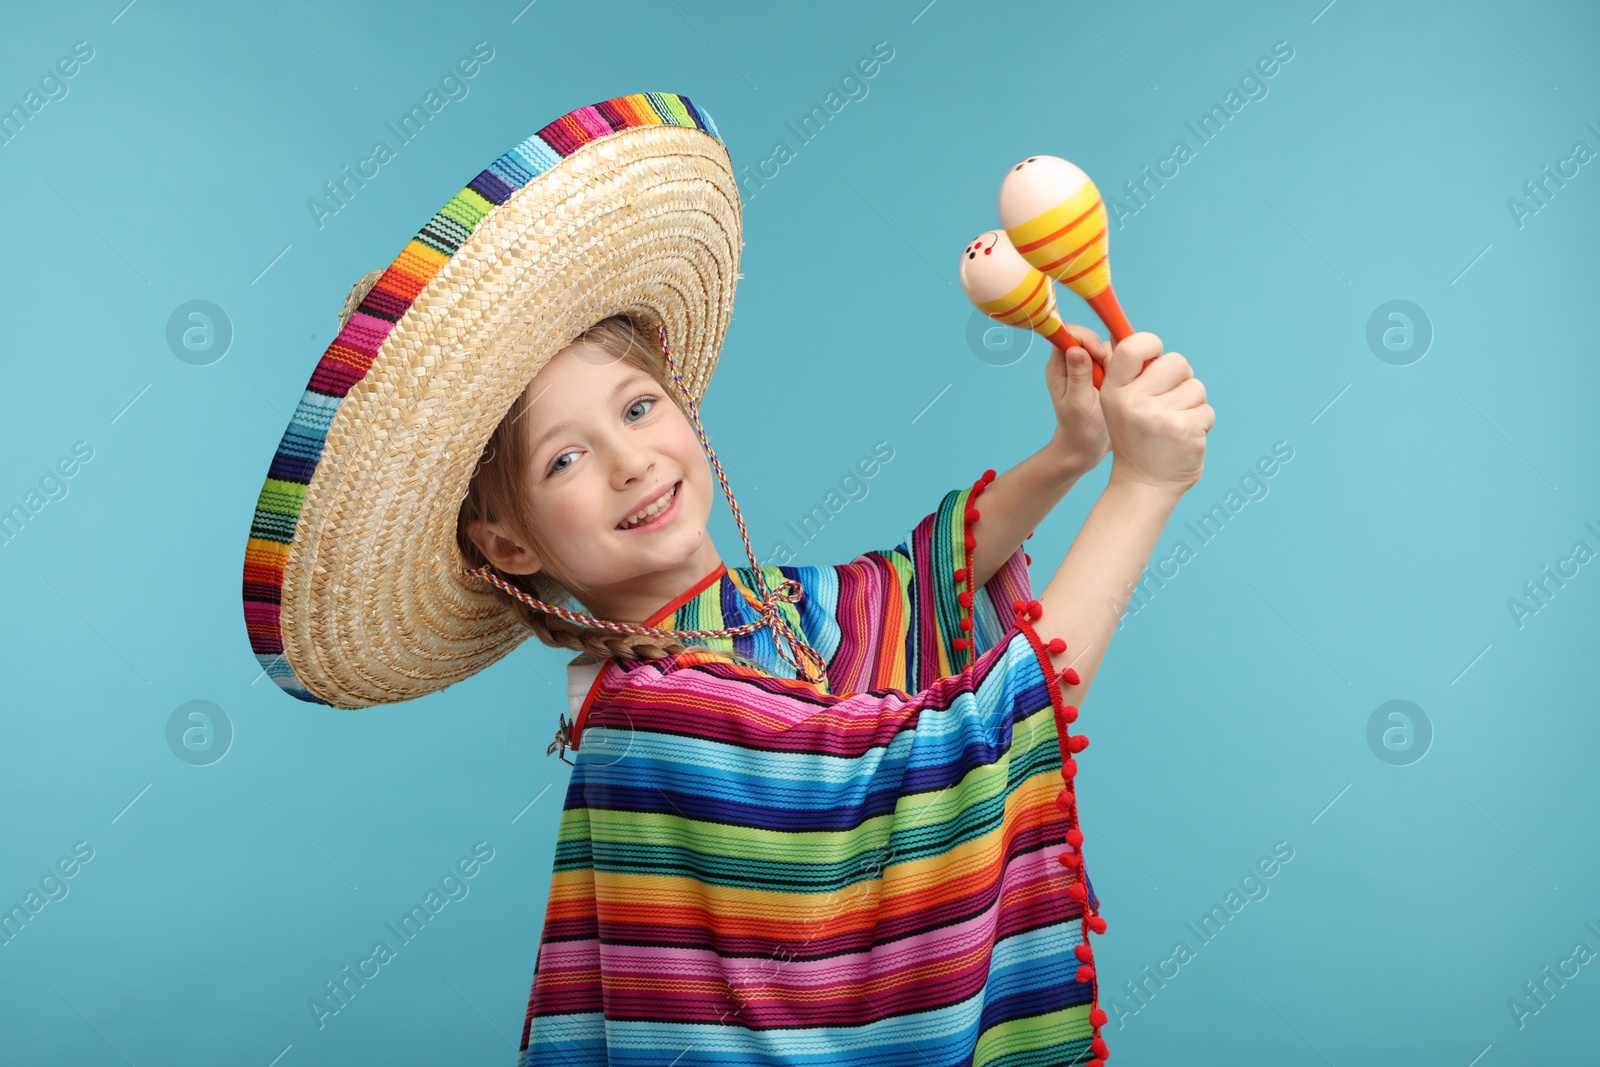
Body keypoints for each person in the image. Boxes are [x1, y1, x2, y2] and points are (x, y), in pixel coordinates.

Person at [240, 92, 1211, 1067]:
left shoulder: (758, 614)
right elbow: (952, 753)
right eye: (563, 460)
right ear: (508, 545)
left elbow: (912, 585)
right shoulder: (649, 712)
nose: (629, 460)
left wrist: (1070, 452)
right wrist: (1144, 481)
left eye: (637, 405)